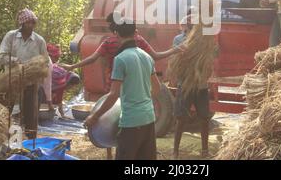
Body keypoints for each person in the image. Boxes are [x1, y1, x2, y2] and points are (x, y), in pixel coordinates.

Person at [84, 19, 161, 160]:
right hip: (149, 118)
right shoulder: (147, 57)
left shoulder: (120, 59)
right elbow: (157, 88)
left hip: (131, 122)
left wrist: (94, 117)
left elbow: (114, 95)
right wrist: (143, 100)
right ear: (136, 33)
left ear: (116, 34)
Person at [0, 8, 51, 139]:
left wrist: (38, 69)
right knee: (7, 113)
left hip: (31, 85)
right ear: (22, 24)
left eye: (33, 23)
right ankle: (4, 138)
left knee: (31, 115)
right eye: (29, 23)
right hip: (12, 81)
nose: (31, 26)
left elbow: (45, 60)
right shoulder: (11, 36)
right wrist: (17, 62)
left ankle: (30, 139)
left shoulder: (39, 41)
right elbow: (2, 56)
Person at [172, 14, 211, 160]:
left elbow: (211, 59)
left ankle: (205, 151)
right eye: (190, 21)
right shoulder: (178, 39)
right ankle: (175, 151)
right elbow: (176, 61)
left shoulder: (204, 40)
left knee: (204, 118)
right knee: (181, 118)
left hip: (201, 85)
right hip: (185, 84)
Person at [39, 43, 80, 118]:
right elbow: (59, 100)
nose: (70, 89)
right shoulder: (61, 81)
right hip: (42, 90)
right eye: (71, 87)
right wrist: (62, 115)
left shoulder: (58, 71)